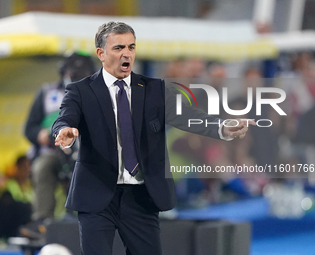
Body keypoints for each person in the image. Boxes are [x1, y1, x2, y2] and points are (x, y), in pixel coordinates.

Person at [52, 22, 255, 255]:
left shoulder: (154, 89)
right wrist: (64, 131)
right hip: (97, 195)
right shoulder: (80, 90)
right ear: (101, 53)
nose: (126, 53)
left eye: (131, 47)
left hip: (141, 197)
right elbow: (65, 117)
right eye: (118, 48)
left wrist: (222, 127)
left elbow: (187, 117)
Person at [23, 51, 96, 238]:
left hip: (86, 152)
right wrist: (43, 135)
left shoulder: (98, 95)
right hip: (54, 150)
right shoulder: (47, 93)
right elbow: (29, 128)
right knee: (42, 166)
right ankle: (42, 221)